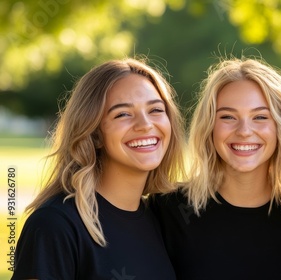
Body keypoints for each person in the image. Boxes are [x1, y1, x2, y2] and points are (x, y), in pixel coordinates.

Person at [149, 57, 281, 280]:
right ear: (209, 127)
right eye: (227, 116)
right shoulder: (167, 211)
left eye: (260, 117)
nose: (244, 130)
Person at [12, 58, 186, 279]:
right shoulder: (55, 226)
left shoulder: (162, 220)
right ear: (94, 134)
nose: (145, 124)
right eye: (123, 114)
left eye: (155, 110)